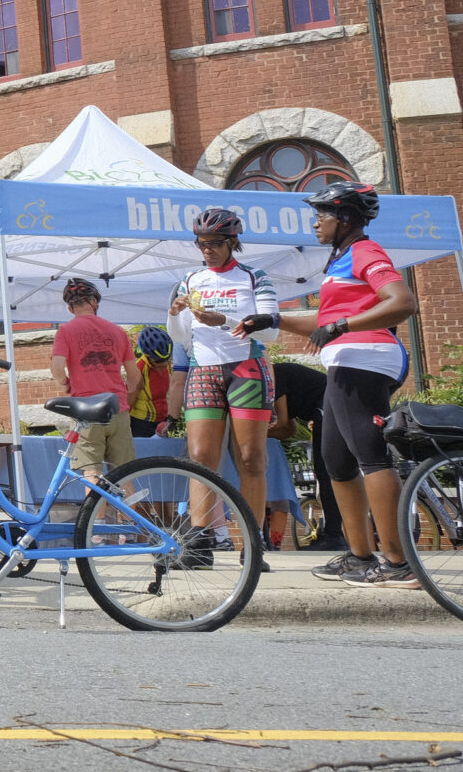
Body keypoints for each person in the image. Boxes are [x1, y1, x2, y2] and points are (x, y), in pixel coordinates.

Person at [273, 183, 420, 588]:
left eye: (324, 213)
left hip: (367, 359)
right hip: (345, 361)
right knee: (336, 462)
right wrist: (271, 319)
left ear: (347, 219)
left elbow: (403, 301)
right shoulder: (339, 261)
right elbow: (323, 320)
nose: (316, 220)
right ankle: (359, 557)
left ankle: (398, 562)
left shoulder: (365, 252)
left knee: (369, 456)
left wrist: (344, 324)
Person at [167, 207, 278, 570]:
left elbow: (270, 332)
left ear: (233, 242)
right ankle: (199, 543)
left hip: (247, 368)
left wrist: (226, 320)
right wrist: (174, 314)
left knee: (250, 457)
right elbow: (182, 339)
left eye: (215, 243)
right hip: (204, 368)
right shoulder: (190, 279)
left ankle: (252, 543)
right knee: (200, 457)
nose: (207, 250)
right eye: (201, 243)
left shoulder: (254, 276)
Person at [50, 278, 139, 481]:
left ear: (70, 308)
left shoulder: (66, 331)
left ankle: (97, 514)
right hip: (117, 408)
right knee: (125, 476)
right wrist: (125, 392)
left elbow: (57, 367)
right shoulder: (118, 331)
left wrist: (65, 383)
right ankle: (127, 514)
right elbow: (134, 376)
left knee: (92, 473)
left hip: (86, 411)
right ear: (94, 302)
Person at [266, 360, 343, 551]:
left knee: (327, 472)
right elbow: (289, 430)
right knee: (324, 472)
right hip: (324, 409)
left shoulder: (276, 375)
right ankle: (333, 534)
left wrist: (249, 435)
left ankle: (334, 536)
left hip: (329, 404)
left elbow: (282, 422)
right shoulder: (284, 381)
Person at [126, 326, 175, 439]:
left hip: (161, 421)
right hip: (140, 424)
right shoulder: (138, 370)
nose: (165, 364)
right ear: (148, 356)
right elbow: (127, 404)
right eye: (159, 361)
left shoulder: (166, 364)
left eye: (168, 359)